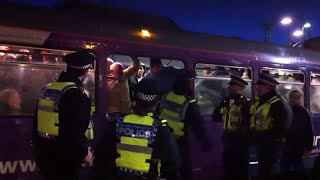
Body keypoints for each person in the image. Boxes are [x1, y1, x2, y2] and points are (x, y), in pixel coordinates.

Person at [93, 79, 182, 180]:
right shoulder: (160, 129)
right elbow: (173, 164)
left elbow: (101, 157)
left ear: (134, 99)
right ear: (156, 103)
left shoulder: (117, 124)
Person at [32, 50, 95, 180]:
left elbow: (37, 122)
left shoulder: (48, 89)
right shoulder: (75, 94)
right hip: (65, 157)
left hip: (44, 153)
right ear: (85, 72)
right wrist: (85, 153)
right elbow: (74, 131)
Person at [159, 71, 211, 180]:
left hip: (162, 139)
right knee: (183, 170)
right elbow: (198, 125)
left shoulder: (165, 96)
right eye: (190, 82)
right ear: (186, 83)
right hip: (179, 141)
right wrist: (206, 143)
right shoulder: (189, 103)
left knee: (165, 169)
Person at [250, 73, 292, 180]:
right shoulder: (261, 101)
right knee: (263, 170)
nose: (257, 88)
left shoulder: (277, 104)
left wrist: (269, 138)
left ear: (267, 87)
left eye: (260, 86)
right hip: (262, 143)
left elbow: (281, 126)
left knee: (269, 171)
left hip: (271, 145)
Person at [212, 75, 250, 180]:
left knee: (240, 170)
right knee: (228, 169)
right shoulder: (226, 102)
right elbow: (215, 117)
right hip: (228, 141)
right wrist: (223, 104)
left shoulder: (246, 104)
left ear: (240, 88)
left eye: (232, 86)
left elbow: (248, 124)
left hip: (241, 143)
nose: (229, 88)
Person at [280, 90, 313, 179]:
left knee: (287, 166)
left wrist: (308, 147)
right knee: (296, 166)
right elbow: (309, 130)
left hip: (290, 145)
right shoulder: (303, 111)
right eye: (293, 98)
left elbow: (308, 130)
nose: (294, 100)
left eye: (296, 98)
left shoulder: (286, 110)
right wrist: (308, 148)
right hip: (294, 145)